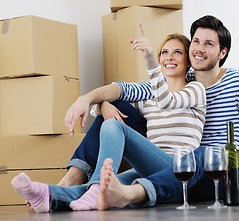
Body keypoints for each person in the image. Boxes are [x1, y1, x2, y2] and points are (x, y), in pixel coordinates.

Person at [59, 15, 239, 210]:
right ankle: (73, 181)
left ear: (222, 52)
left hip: (213, 174)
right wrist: (95, 101)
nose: (199, 48)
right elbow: (127, 89)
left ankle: (128, 193)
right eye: (196, 41)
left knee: (202, 153)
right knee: (121, 106)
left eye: (209, 44)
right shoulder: (181, 78)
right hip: (172, 163)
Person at [10, 24, 206, 212]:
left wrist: (149, 59)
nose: (169, 57)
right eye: (164, 52)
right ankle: (48, 196)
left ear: (188, 61)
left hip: (177, 169)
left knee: (113, 128)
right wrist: (103, 105)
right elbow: (115, 103)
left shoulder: (195, 90)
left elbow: (167, 100)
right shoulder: (148, 99)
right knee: (105, 186)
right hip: (148, 167)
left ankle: (94, 186)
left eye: (177, 52)